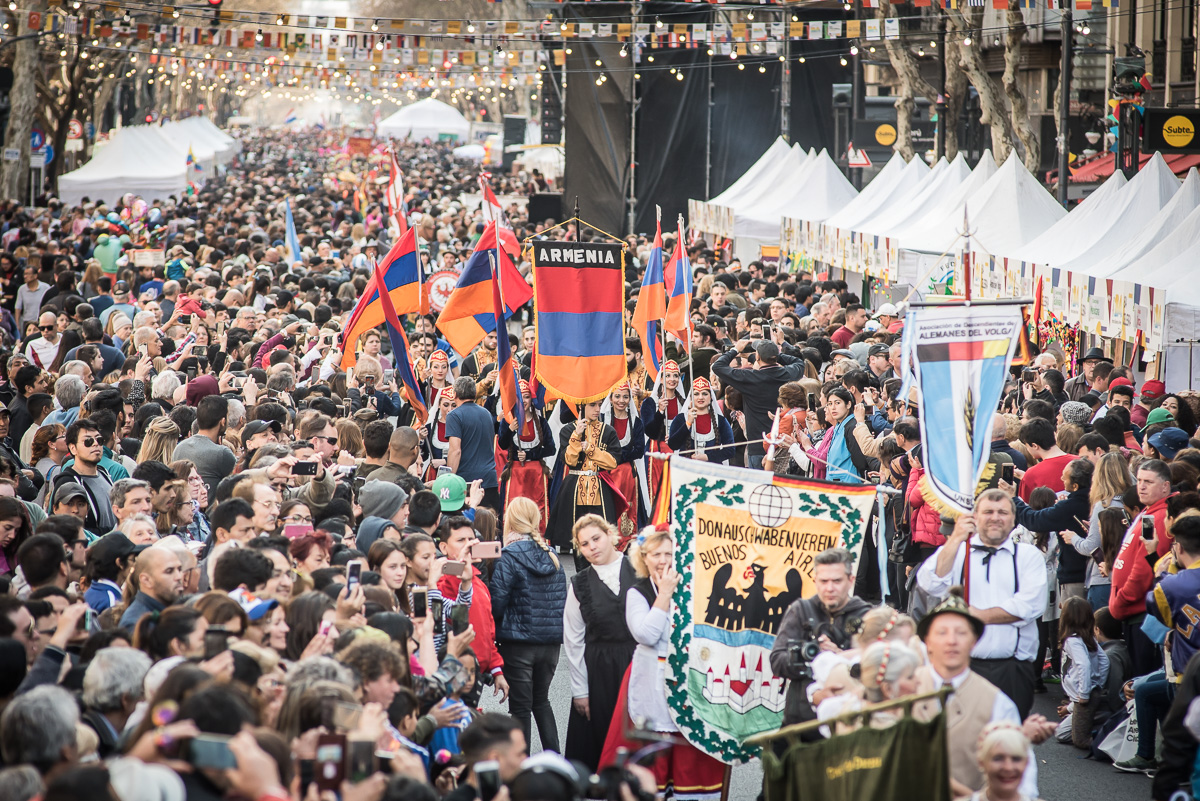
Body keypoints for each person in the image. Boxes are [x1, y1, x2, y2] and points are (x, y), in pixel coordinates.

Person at [598, 526, 727, 800]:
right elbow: (645, 634)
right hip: (649, 681)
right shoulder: (638, 591)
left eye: (669, 553)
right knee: (650, 753)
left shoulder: (695, 591)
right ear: (644, 558)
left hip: (687, 681)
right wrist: (664, 595)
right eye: (656, 553)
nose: (663, 560)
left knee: (688, 756)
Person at [916, 489, 1047, 720]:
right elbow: (930, 582)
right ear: (975, 517)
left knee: (1008, 742)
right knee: (961, 741)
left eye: (1002, 512)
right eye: (988, 512)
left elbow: (1030, 606)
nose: (995, 517)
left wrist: (976, 617)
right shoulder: (959, 551)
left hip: (1013, 670)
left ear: (1013, 518)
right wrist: (955, 538)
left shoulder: (1028, 555)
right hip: (963, 667)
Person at [912, 593, 1047, 799]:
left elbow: (1023, 781)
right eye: (942, 632)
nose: (951, 641)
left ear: (974, 641)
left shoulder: (996, 703)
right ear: (927, 641)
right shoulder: (904, 691)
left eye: (961, 633)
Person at [490, 497, 566, 754]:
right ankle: (554, 760)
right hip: (550, 644)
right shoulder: (552, 556)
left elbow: (497, 603)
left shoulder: (508, 557)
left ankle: (521, 765)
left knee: (521, 708)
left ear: (510, 520)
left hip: (518, 643)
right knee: (541, 702)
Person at [769, 547, 873, 736]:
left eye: (836, 581)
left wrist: (840, 657)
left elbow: (880, 667)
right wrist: (811, 656)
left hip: (850, 726)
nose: (830, 588)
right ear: (815, 581)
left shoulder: (866, 615)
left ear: (850, 581)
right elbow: (777, 661)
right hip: (800, 725)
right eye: (824, 581)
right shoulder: (800, 610)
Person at [563, 515, 637, 771]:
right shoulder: (579, 585)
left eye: (596, 538)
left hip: (638, 665)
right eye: (584, 544)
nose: (592, 547)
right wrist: (580, 691)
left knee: (639, 743)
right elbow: (573, 641)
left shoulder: (639, 570)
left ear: (611, 535)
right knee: (603, 742)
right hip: (600, 672)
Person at [546, 398, 621, 557]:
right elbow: (569, 461)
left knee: (602, 535)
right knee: (577, 541)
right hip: (574, 490)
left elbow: (613, 462)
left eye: (599, 405)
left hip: (600, 489)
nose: (597, 409)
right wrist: (576, 436)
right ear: (581, 406)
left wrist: (591, 450)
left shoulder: (608, 431)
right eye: (592, 405)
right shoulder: (567, 431)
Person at [446, 376, 500, 511]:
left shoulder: (454, 415)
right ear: (475, 394)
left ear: (455, 394)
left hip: (467, 482)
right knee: (490, 526)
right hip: (489, 479)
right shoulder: (486, 413)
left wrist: (448, 479)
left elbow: (455, 450)